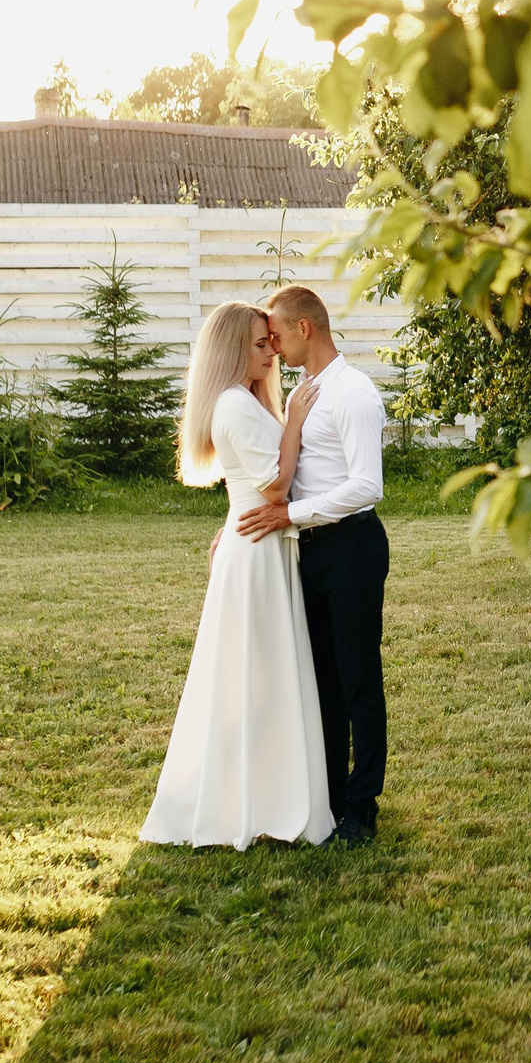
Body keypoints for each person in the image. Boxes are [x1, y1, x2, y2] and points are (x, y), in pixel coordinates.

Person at [137, 301, 337, 850]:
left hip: (256, 544)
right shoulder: (234, 404)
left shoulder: (243, 401)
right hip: (258, 555)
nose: (272, 353)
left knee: (263, 676)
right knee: (255, 674)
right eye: (258, 344)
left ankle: (266, 793)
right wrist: (294, 421)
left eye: (270, 342)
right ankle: (253, 802)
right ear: (231, 350)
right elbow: (273, 486)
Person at [237, 285, 389, 843]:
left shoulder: (352, 392)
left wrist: (291, 515)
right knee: (320, 681)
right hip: (310, 550)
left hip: (352, 548)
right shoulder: (300, 392)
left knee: (357, 682)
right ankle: (326, 800)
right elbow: (285, 470)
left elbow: (366, 485)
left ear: (305, 329)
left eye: (276, 333)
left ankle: (362, 807)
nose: (271, 345)